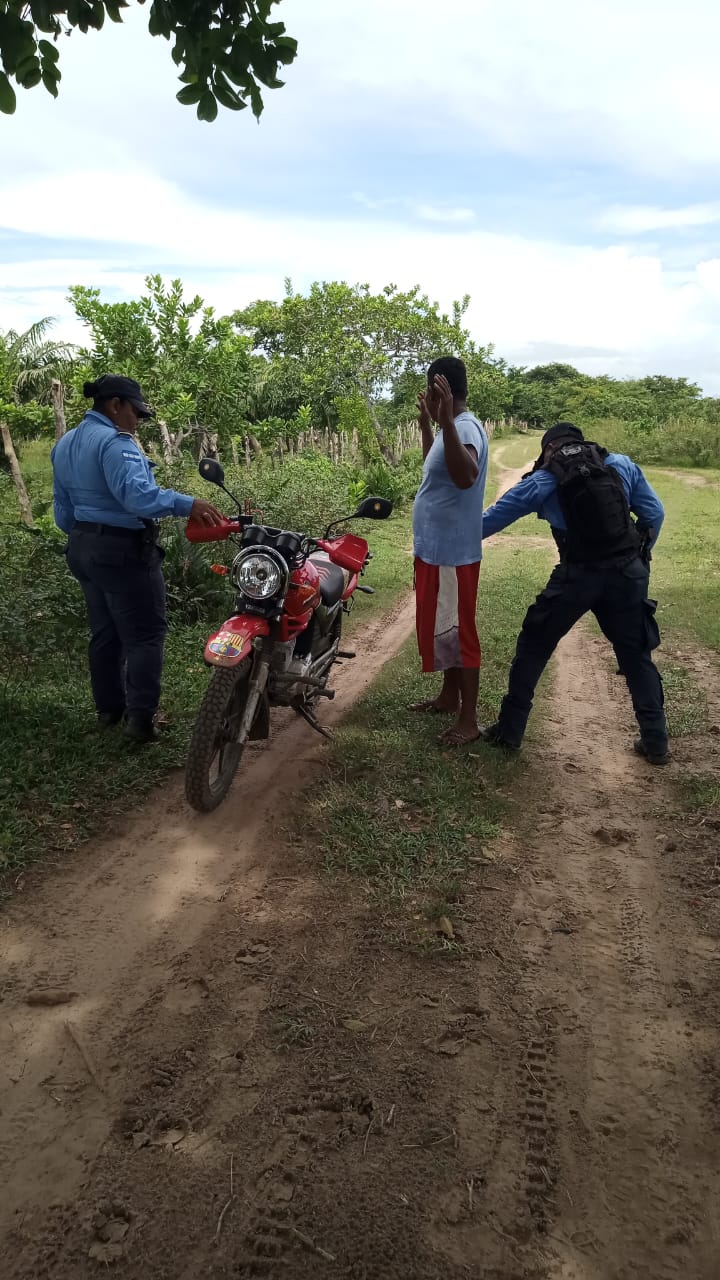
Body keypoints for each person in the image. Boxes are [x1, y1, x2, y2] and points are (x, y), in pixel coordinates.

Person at [480, 422, 669, 764]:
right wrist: (639, 556)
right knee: (636, 654)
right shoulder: (621, 464)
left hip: (577, 574)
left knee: (535, 644)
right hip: (627, 572)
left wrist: (447, 542)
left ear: (548, 450)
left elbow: (491, 520)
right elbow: (655, 514)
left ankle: (510, 731)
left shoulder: (543, 480)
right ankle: (655, 740)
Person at [51, 375, 223, 743]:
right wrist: (188, 503)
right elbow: (137, 497)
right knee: (145, 636)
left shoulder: (64, 444)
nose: (138, 421)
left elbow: (62, 511)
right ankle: (141, 723)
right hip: (121, 550)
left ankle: (109, 712)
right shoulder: (116, 442)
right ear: (115, 405)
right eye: (136, 413)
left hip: (82, 548)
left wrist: (88, 538)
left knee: (104, 633)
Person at [411, 356, 489, 745]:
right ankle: (447, 696)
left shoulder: (466, 427)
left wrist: (442, 422)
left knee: (460, 633)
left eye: (430, 388)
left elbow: (466, 476)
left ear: (440, 387)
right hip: (434, 550)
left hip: (453, 554)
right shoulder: (450, 428)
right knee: (445, 626)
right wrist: (429, 425)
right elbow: (434, 465)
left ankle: (469, 720)